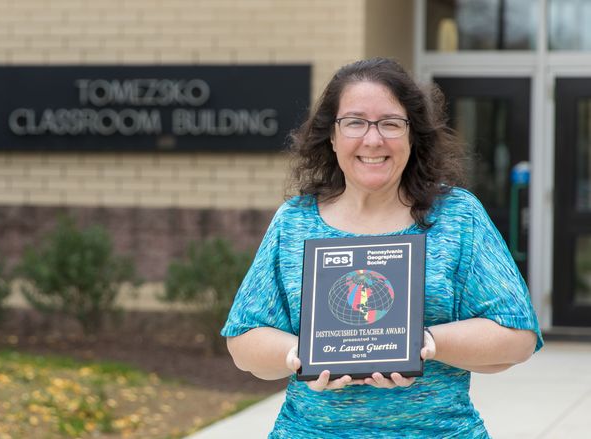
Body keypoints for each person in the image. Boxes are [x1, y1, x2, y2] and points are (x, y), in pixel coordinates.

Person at [221, 57, 542, 438]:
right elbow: (243, 339)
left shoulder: (458, 217)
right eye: (355, 122)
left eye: (390, 123)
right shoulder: (295, 221)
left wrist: (425, 343)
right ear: (332, 136)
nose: (373, 140)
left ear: (412, 135)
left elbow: (516, 335)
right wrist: (299, 355)